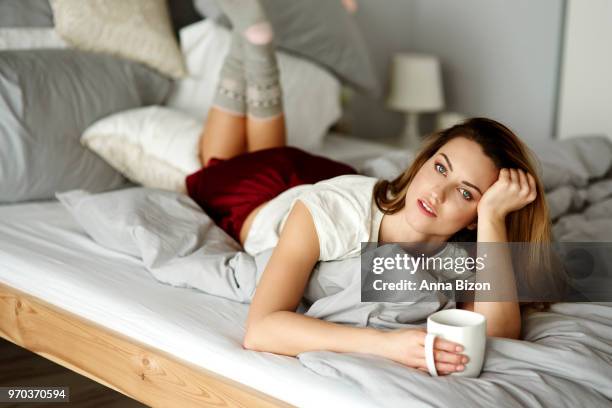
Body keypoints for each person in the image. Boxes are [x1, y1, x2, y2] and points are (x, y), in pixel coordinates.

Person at [186, 0, 560, 376]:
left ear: (475, 217)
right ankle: (250, 48)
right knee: (217, 161)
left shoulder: (461, 252)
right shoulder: (331, 211)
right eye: (440, 168)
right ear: (423, 160)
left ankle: (250, 41)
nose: (437, 193)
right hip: (263, 197)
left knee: (272, 150)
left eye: (466, 193)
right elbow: (261, 330)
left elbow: (498, 334)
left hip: (327, 174)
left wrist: (494, 218)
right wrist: (387, 346)